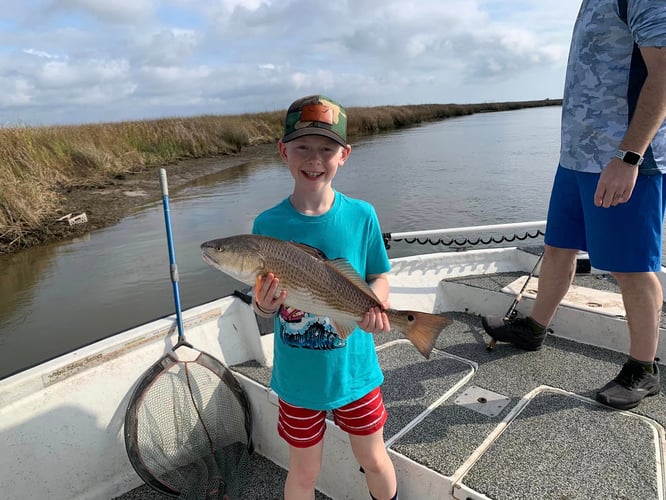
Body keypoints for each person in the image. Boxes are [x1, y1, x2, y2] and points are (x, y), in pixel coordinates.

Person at [482, 0, 666, 411]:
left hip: (623, 160)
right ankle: (534, 327)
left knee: (632, 267)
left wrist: (630, 156)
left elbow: (664, 72)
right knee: (558, 247)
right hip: (576, 159)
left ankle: (643, 369)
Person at [251, 95, 399, 500]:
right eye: (302, 147)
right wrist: (264, 305)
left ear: (344, 155)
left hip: (356, 372)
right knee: (303, 472)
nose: (314, 158)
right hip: (298, 379)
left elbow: (378, 273)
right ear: (283, 151)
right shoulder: (267, 225)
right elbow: (262, 305)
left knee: (373, 458)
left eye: (326, 148)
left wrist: (379, 305)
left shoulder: (361, 215)